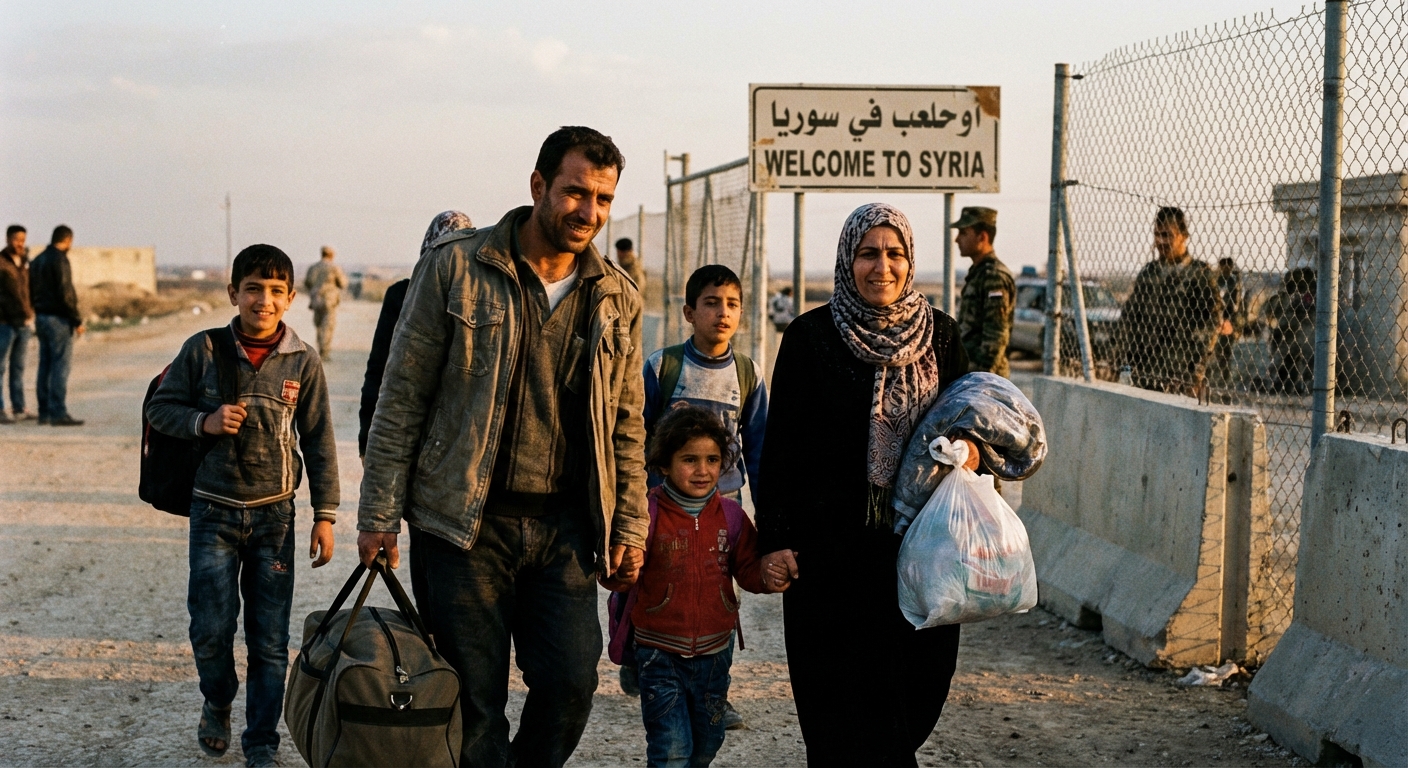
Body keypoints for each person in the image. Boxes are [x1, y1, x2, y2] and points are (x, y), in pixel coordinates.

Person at [357, 126, 647, 768]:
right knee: (474, 701)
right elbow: (400, 399)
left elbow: (626, 422)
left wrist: (630, 522)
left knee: (572, 682)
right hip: (464, 526)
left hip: (566, 530)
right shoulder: (456, 267)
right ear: (539, 186)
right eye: (575, 193)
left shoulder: (615, 297)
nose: (589, 213)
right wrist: (378, 515)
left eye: (603, 199)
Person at [756, 203, 978, 766]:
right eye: (868, 254)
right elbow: (779, 449)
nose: (882, 266)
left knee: (916, 695)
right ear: (847, 260)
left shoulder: (943, 337)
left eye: (895, 254)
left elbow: (975, 421)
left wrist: (975, 452)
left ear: (910, 261)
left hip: (919, 555)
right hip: (826, 562)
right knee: (835, 715)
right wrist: (774, 539)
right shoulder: (809, 338)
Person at [146, 244, 339, 768]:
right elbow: (161, 408)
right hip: (213, 511)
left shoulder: (303, 359)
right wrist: (202, 422)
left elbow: (319, 440)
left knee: (270, 641)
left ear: (292, 298)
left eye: (276, 291)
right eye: (253, 288)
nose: (264, 300)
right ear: (233, 292)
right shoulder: (203, 350)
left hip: (276, 518)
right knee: (210, 627)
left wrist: (326, 514)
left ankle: (260, 743)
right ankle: (217, 697)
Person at [633, 263, 768, 728]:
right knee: (647, 582)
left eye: (732, 304)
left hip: (722, 510)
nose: (722, 313)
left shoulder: (748, 374)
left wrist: (766, 516)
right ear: (690, 311)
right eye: (711, 303)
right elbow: (635, 435)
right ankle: (640, 653)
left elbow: (759, 444)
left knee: (714, 590)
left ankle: (716, 690)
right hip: (662, 506)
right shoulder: (662, 366)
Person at [618, 405, 768, 767]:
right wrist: (622, 568)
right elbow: (618, 573)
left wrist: (767, 575)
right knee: (670, 749)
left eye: (712, 459)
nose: (703, 470)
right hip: (658, 651)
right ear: (664, 464)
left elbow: (747, 569)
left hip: (716, 653)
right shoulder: (646, 513)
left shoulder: (731, 516)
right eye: (689, 459)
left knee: (706, 742)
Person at [358, 210, 474, 457]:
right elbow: (379, 370)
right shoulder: (401, 295)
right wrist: (366, 439)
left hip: (454, 443)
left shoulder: (477, 303)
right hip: (405, 428)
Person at [1117, 207, 1222, 395]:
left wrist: (1195, 373)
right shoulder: (1149, 273)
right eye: (1157, 235)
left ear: (1183, 236)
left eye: (1167, 235)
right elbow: (1128, 319)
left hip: (1181, 376)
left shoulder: (1199, 275)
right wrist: (1123, 362)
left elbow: (1212, 324)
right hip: (1146, 373)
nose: (1160, 241)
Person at [29, 224, 84, 426]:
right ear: (68, 240)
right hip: (59, 320)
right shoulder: (60, 260)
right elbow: (65, 294)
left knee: (45, 366)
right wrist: (76, 320)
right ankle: (58, 413)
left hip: (41, 317)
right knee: (60, 367)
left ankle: (44, 412)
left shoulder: (37, 260)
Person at [954, 206, 1014, 377]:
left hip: (985, 378)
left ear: (982, 237)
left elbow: (995, 337)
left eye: (963, 233)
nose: (957, 239)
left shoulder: (994, 277)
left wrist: (982, 379)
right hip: (973, 373)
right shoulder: (979, 273)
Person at [0, 224, 34, 423]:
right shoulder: (1, 263)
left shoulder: (23, 263)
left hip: (24, 323)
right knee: (1, 367)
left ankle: (19, 407)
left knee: (18, 368)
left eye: (22, 239)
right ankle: (1, 409)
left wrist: (30, 314)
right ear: (7, 239)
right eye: (16, 239)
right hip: (5, 323)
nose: (20, 243)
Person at [1264, 266, 1316, 394]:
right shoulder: (1291, 294)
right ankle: (1287, 384)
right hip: (1291, 330)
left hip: (1297, 330)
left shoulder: (1305, 295)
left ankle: (1294, 385)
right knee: (1289, 358)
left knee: (1292, 358)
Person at [303, 245, 347, 360]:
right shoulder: (334, 267)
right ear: (332, 255)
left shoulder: (313, 267)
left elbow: (308, 282)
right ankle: (324, 352)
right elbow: (342, 283)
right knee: (327, 326)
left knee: (318, 326)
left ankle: (320, 349)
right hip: (330, 301)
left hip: (316, 300)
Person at [1213, 257, 1247, 380]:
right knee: (1216, 348)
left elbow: (1236, 302)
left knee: (1226, 348)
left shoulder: (1233, 282)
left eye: (1228, 267)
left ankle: (1225, 375)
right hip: (1218, 316)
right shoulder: (1217, 280)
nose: (1226, 270)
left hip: (1229, 317)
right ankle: (1219, 374)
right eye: (1224, 267)